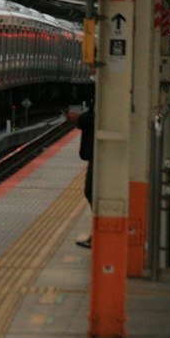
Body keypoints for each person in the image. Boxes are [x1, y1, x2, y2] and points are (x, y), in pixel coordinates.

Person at [74, 104, 94, 247]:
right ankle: (96, 235)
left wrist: (79, 118)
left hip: (98, 154)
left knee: (92, 192)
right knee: (90, 192)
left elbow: (96, 119)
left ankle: (97, 237)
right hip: (96, 153)